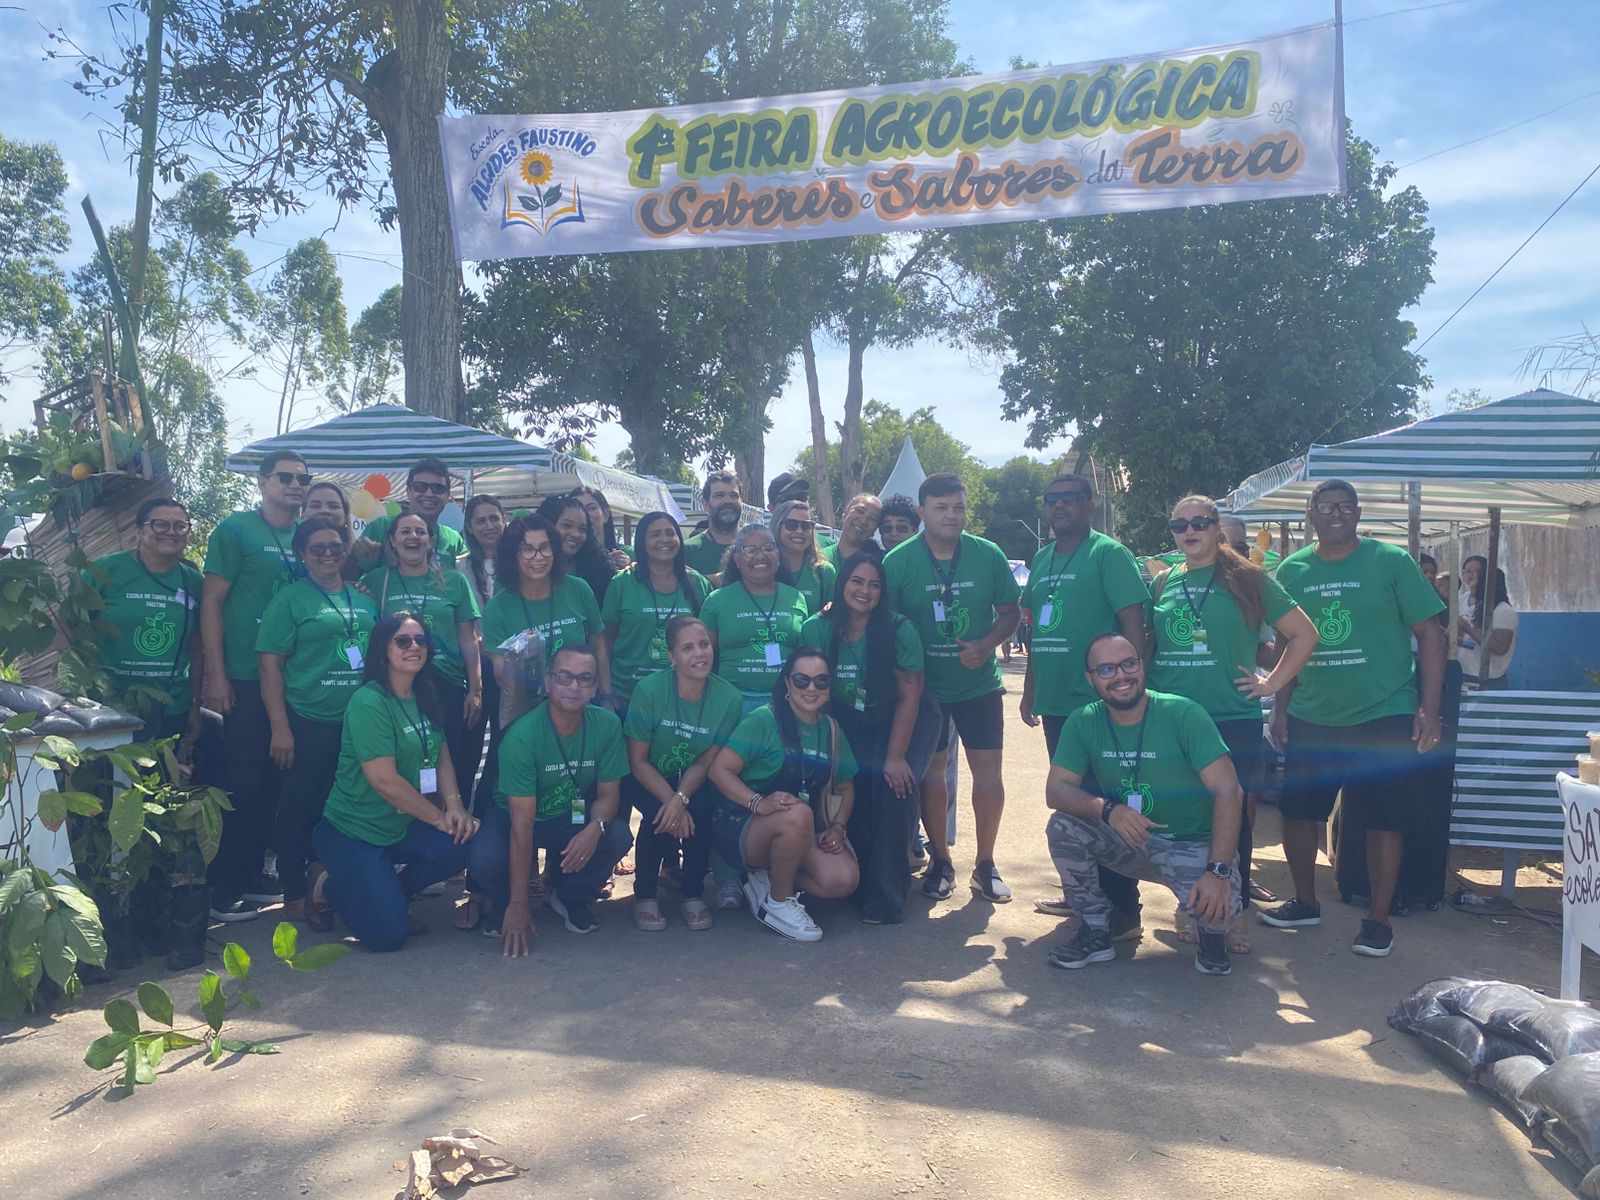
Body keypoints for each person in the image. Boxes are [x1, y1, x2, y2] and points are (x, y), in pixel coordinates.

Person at [1261, 480, 1446, 958]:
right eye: (1326, 507)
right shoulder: (1292, 568)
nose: (1336, 514)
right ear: (1311, 515)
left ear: (1358, 513)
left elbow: (1429, 633)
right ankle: (1305, 902)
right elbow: (1286, 644)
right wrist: (1279, 709)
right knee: (1298, 813)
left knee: (1384, 820)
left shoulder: (1391, 562)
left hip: (1383, 713)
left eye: (1345, 507)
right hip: (1311, 714)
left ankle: (1378, 920)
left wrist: (1429, 708)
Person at [1149, 495, 1318, 953]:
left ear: (1216, 527)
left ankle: (1233, 913)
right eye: (1179, 523)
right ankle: (1190, 906)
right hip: (1173, 719)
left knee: (1234, 819)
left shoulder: (1247, 578)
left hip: (1229, 719)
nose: (1189, 530)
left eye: (1199, 522)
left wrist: (1271, 684)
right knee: (1183, 816)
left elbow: (1304, 634)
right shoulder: (1165, 581)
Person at [1044, 633, 1244, 975]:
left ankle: (1211, 935)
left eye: (1128, 664)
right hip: (1130, 840)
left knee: (1219, 911)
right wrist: (1109, 809)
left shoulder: (1183, 713)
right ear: (1090, 679)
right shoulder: (1083, 721)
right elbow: (1056, 791)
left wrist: (1218, 871)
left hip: (1189, 844)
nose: (1121, 676)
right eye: (1106, 669)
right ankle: (1094, 929)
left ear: (1141, 665)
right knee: (1063, 827)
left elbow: (1230, 791)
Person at [1019, 472, 1149, 932]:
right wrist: (1031, 689)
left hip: (1100, 706)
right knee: (1074, 803)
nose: (1059, 506)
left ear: (1089, 504)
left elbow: (1134, 625)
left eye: (1069, 499)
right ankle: (1085, 894)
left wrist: (1136, 689)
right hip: (1057, 706)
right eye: (1052, 499)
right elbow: (1037, 630)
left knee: (1105, 801)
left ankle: (1123, 910)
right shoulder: (1041, 558)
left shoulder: (1108, 554)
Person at [884, 473, 1021, 904]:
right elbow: (884, 623)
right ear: (922, 513)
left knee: (988, 776)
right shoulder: (900, 561)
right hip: (926, 692)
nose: (951, 515)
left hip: (979, 685)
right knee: (933, 776)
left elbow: (1010, 613)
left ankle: (985, 863)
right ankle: (941, 860)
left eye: (958, 507)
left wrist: (986, 645)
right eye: (941, 507)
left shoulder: (988, 554)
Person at [305, 612, 478, 950]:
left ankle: (382, 894)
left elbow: (440, 751)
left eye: (421, 640)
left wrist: (455, 805)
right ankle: (325, 882)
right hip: (354, 831)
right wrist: (439, 820)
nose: (414, 646)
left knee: (466, 842)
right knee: (387, 937)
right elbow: (384, 781)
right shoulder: (369, 702)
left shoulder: (424, 693)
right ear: (383, 650)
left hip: (401, 826)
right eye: (402, 640)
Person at [800, 553, 939, 924]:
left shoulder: (898, 629)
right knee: (853, 786)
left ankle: (887, 896)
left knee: (895, 790)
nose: (865, 590)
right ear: (842, 584)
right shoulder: (818, 627)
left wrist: (895, 757)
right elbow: (811, 689)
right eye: (857, 581)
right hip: (846, 717)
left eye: (874, 584)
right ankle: (857, 882)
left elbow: (910, 695)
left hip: (902, 715)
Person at [470, 644, 634, 950]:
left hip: (568, 812)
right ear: (547, 682)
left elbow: (610, 794)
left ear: (595, 687)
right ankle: (504, 903)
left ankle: (569, 898)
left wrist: (594, 828)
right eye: (564, 677)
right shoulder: (523, 736)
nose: (574, 686)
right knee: (484, 859)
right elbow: (522, 827)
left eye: (585, 679)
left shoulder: (607, 725)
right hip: (513, 816)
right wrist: (519, 905)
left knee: (617, 835)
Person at [202, 449, 308, 922]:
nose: (295, 485)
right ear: (263, 481)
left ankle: (251, 874)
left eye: (303, 479)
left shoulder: (308, 538)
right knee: (242, 782)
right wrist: (216, 675)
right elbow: (212, 604)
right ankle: (221, 887)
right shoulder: (235, 530)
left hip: (293, 679)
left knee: (274, 782)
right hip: (244, 676)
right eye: (285, 477)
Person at [256, 518, 379, 921]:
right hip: (308, 719)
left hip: (358, 722)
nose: (329, 554)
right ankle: (295, 890)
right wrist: (280, 727)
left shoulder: (361, 597)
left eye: (336, 546)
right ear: (302, 555)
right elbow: (271, 665)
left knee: (348, 807)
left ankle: (335, 884)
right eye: (318, 548)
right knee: (301, 806)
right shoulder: (291, 600)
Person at [708, 649, 861, 941]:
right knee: (798, 814)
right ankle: (778, 902)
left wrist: (838, 828)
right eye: (802, 680)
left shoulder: (830, 730)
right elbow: (719, 770)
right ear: (787, 683)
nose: (811, 688)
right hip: (741, 824)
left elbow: (845, 787)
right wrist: (758, 802)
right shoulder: (763, 720)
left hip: (798, 829)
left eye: (821, 681)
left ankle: (764, 880)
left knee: (842, 880)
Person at [622, 616, 744, 931]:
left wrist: (682, 797)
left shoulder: (730, 698)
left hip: (693, 778)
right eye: (687, 648)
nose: (699, 654)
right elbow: (638, 761)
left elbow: (706, 761)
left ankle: (693, 893)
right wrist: (672, 801)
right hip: (647, 775)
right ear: (671, 657)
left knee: (699, 812)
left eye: (703, 644)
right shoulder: (648, 690)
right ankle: (645, 894)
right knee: (658, 816)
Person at [360, 513, 485, 802]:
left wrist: (476, 690)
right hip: (397, 686)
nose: (413, 537)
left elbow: (468, 638)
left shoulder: (454, 582)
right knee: (406, 758)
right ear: (392, 541)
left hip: (447, 683)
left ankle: (455, 823)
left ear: (430, 542)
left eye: (420, 532)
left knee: (452, 758)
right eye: (405, 531)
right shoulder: (376, 581)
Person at [83, 497, 205, 743]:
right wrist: (88, 677)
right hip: (108, 704)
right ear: (139, 531)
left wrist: (195, 704)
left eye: (180, 526)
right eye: (160, 525)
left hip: (171, 705)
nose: (171, 532)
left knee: (160, 778)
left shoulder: (194, 582)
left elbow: (197, 647)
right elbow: (66, 625)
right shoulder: (104, 571)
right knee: (108, 778)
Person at [481, 514, 609, 703]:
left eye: (544, 548)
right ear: (512, 555)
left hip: (579, 701)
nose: (538, 557)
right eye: (527, 549)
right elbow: (501, 673)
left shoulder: (578, 589)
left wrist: (606, 696)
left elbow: (598, 646)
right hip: (527, 709)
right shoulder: (497, 608)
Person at [601, 512, 712, 712]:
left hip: (680, 697)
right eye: (655, 534)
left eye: (671, 533)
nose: (665, 539)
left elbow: (709, 641)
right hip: (627, 697)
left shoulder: (696, 583)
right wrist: (606, 692)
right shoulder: (623, 582)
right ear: (641, 542)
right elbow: (606, 640)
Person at [701, 523, 809, 712]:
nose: (760, 555)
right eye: (750, 549)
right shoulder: (717, 600)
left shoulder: (796, 597)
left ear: (777, 555)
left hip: (787, 702)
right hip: (732, 703)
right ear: (736, 559)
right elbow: (701, 657)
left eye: (768, 548)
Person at [350, 458, 468, 572]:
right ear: (408, 492)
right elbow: (348, 577)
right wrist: (357, 557)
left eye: (437, 488)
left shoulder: (453, 539)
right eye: (420, 487)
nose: (429, 493)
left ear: (447, 495)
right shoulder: (382, 526)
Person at [537, 493, 616, 606]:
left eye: (582, 529)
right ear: (548, 526)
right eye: (567, 525)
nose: (576, 534)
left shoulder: (600, 572)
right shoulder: (532, 572)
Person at [772, 498, 836, 617]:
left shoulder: (824, 572)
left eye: (806, 526)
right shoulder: (765, 569)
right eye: (791, 525)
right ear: (778, 526)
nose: (799, 531)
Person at [1461, 565, 1518, 689]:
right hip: (1465, 675)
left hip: (1489, 680)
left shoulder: (1503, 611)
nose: (1472, 586)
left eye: (1476, 582)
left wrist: (1468, 629)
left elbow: (1499, 648)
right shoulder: (1469, 603)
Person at [683, 470, 743, 579]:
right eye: (719, 495)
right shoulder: (686, 550)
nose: (728, 501)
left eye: (734, 495)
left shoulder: (757, 547)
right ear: (705, 504)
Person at [570, 485, 632, 573]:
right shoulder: (567, 563)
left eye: (591, 508)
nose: (585, 515)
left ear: (606, 515)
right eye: (580, 509)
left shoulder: (631, 554)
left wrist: (629, 574)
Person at [462, 494, 507, 611]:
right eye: (481, 521)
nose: (489, 526)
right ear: (469, 527)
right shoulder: (460, 568)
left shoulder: (522, 562)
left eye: (494, 518)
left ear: (504, 520)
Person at [826, 493, 884, 568]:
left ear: (875, 530)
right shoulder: (818, 559)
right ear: (846, 513)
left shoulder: (879, 566)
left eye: (872, 519)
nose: (864, 521)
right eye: (860, 511)